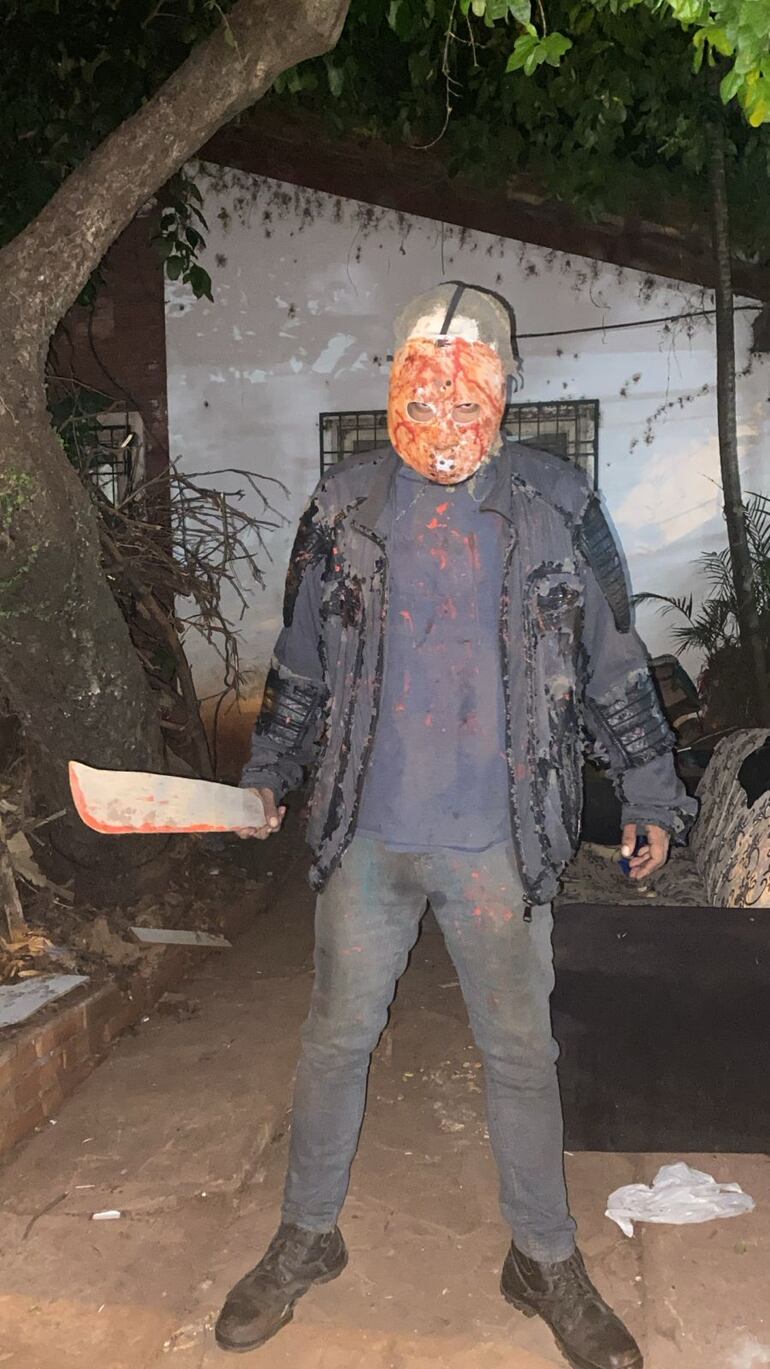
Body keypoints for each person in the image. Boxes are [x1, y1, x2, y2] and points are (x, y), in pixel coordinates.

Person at [215, 282, 696, 1368]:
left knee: (520, 1053)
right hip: (367, 836)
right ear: (391, 386)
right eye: (419, 397)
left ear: (505, 391)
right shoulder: (343, 506)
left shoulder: (556, 503)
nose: (441, 422)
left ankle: (541, 1255)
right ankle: (305, 1234)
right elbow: (300, 660)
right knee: (334, 1040)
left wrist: (652, 792)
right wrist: (270, 772)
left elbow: (613, 660)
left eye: (465, 398)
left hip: (499, 842)